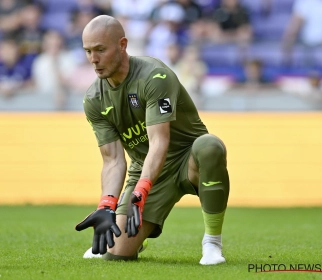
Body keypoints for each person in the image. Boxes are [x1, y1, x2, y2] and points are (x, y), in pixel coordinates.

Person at [75, 15, 230, 265]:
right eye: (88, 51)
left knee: (210, 145)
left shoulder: (154, 76)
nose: (93, 60)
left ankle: (212, 242)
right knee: (116, 255)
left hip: (186, 158)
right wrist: (107, 205)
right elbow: (113, 160)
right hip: (145, 169)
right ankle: (140, 236)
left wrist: (140, 192)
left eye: (100, 50)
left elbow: (159, 142)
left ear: (122, 44)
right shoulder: (93, 99)